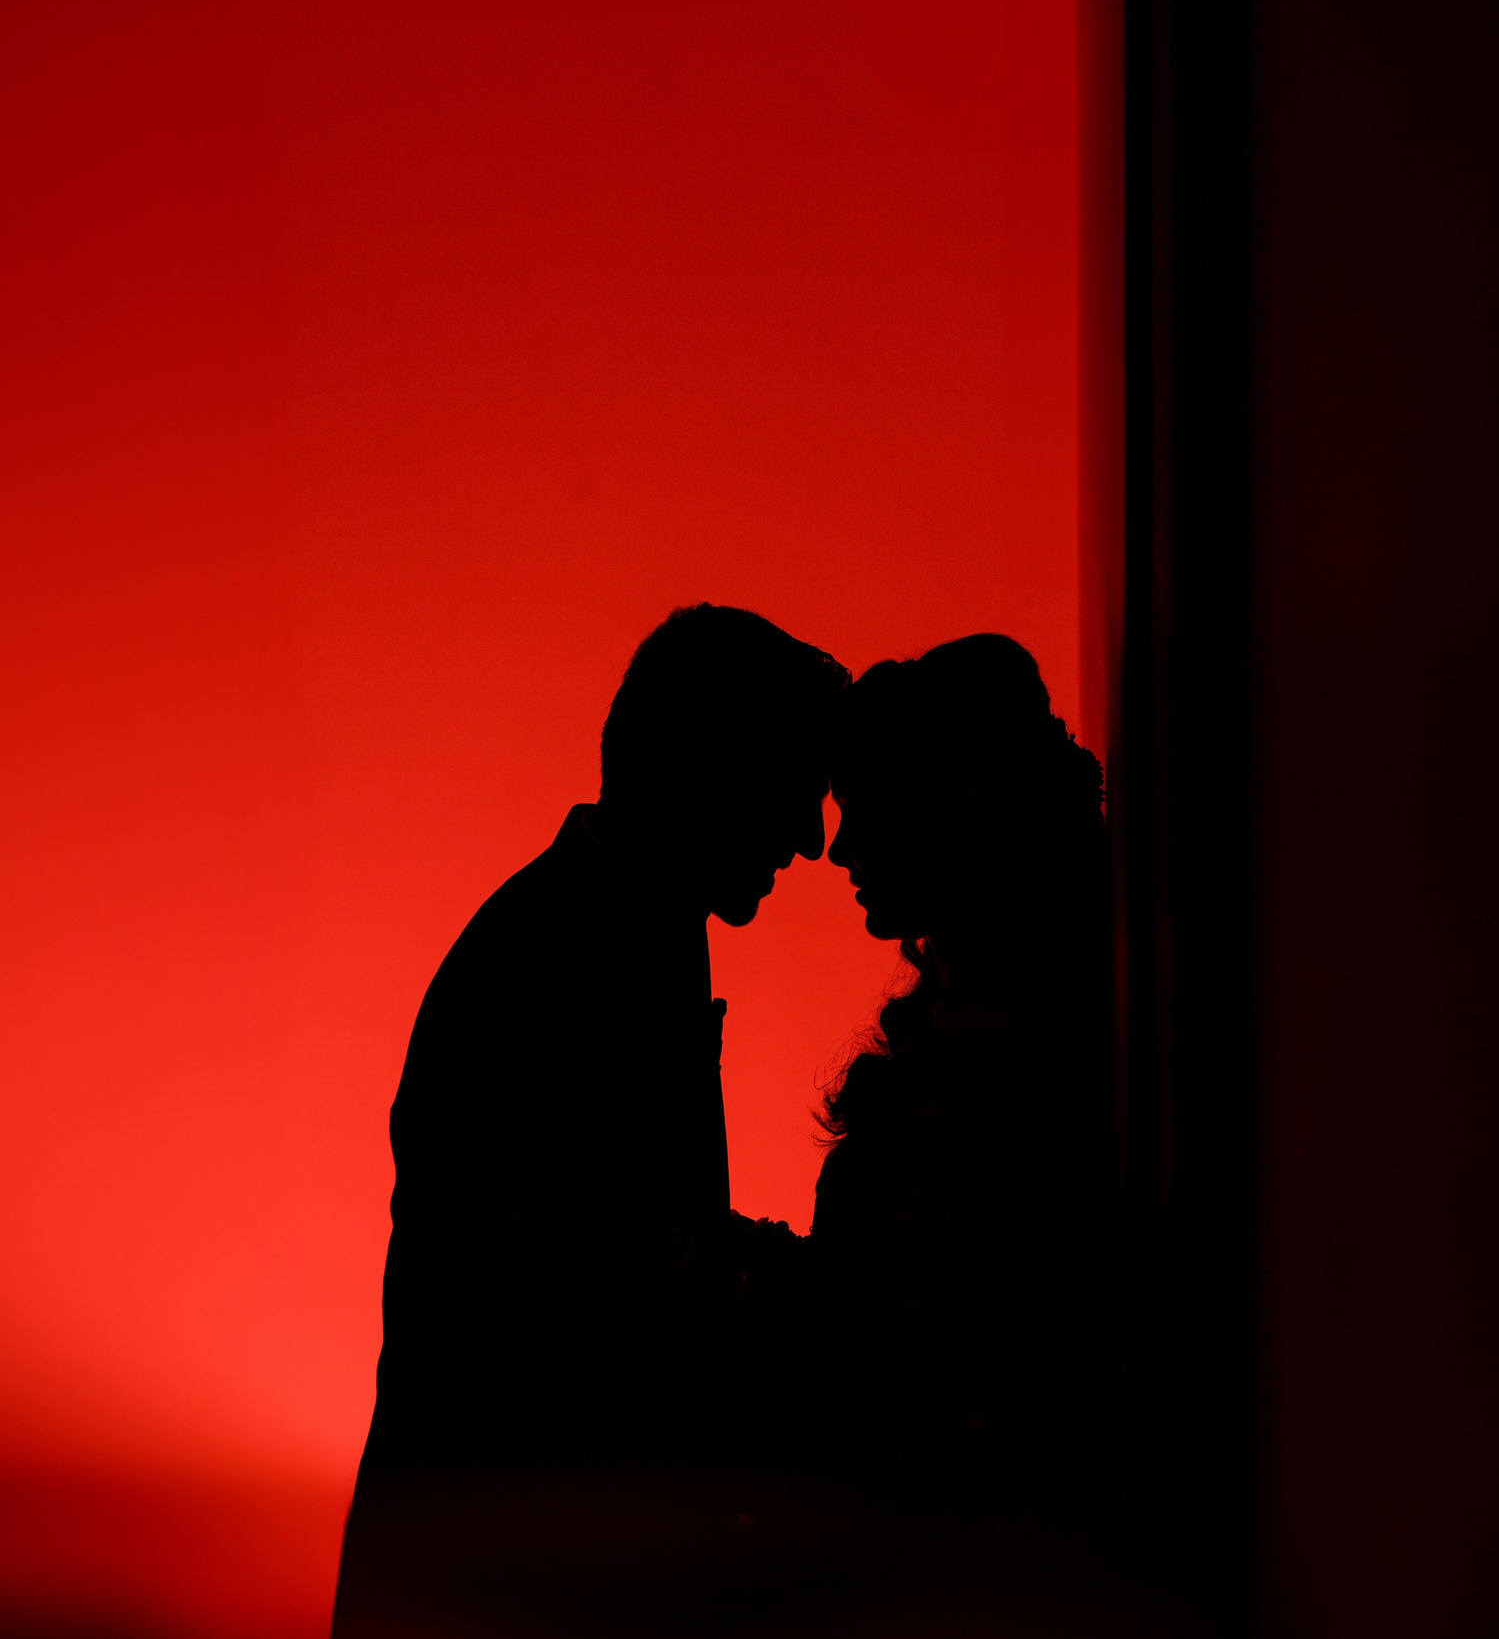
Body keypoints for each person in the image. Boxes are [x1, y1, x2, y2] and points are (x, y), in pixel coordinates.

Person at [333, 604, 848, 1629]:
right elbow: (573, 1249)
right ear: (705, 766)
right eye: (790, 783)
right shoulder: (555, 952)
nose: (809, 837)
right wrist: (785, 1302)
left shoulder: (616, 929)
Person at [804, 634, 1116, 1505]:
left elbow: (903, 1350)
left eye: (863, 808)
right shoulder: (984, 1025)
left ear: (959, 803)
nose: (839, 848)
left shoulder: (999, 1074)